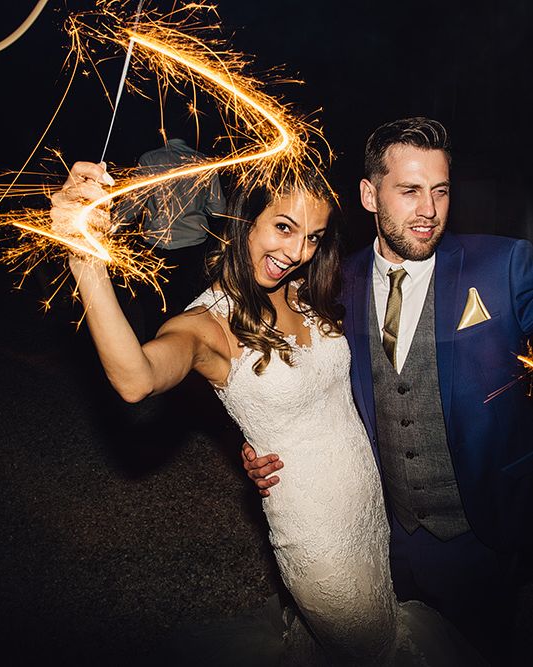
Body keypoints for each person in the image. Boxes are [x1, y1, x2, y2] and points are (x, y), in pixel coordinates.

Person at [52, 159, 481, 665]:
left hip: (365, 506)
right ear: (243, 221)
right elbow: (135, 379)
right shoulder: (207, 325)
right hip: (314, 531)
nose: (297, 252)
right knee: (370, 648)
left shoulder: (305, 293)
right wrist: (86, 261)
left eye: (314, 238)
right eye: (283, 227)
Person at [242, 117, 533, 661]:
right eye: (409, 191)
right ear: (369, 195)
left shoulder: (505, 265)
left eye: (441, 191)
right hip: (379, 534)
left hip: (481, 535)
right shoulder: (331, 284)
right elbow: (299, 378)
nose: (429, 210)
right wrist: (265, 436)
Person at [116, 137, 226, 340]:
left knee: (154, 311)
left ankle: (156, 357)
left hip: (157, 248)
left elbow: (133, 205)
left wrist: (111, 227)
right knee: (189, 310)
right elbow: (218, 211)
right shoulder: (203, 162)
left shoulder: (150, 158)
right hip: (194, 248)